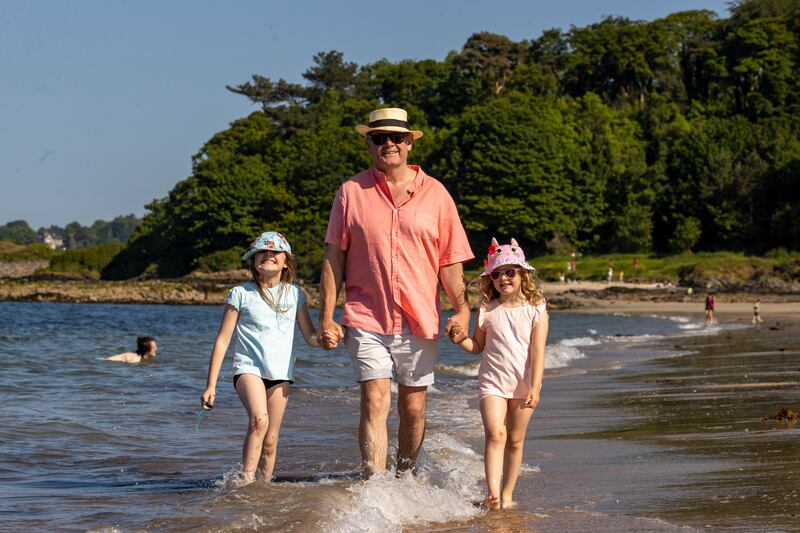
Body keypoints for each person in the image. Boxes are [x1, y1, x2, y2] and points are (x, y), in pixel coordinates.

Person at [319, 107, 474, 477]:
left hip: (420, 316)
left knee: (414, 407)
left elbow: (450, 261)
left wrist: (463, 310)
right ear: (369, 145)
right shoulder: (350, 192)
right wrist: (326, 315)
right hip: (365, 315)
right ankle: (375, 483)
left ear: (409, 144)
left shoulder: (436, 194)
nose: (388, 143)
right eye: (379, 138)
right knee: (374, 400)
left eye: (396, 137)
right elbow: (333, 259)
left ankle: (405, 477)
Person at [201, 231, 321, 484]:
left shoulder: (295, 295)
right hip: (248, 369)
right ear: (254, 261)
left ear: (286, 261)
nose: (268, 256)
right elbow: (223, 340)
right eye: (262, 252)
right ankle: (244, 482)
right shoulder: (241, 293)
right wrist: (210, 385)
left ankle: (264, 490)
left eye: (275, 252)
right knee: (259, 420)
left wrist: (326, 340)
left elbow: (310, 336)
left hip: (280, 374)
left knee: (271, 439)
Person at [452, 238, 548, 510]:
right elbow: (477, 347)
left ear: (522, 274)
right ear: (490, 279)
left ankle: (507, 495)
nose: (503, 278)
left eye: (510, 272)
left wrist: (536, 386)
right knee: (496, 433)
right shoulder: (487, 310)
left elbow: (539, 351)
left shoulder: (536, 309)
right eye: (496, 274)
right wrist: (460, 340)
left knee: (515, 440)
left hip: (524, 383)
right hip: (492, 383)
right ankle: (492, 494)